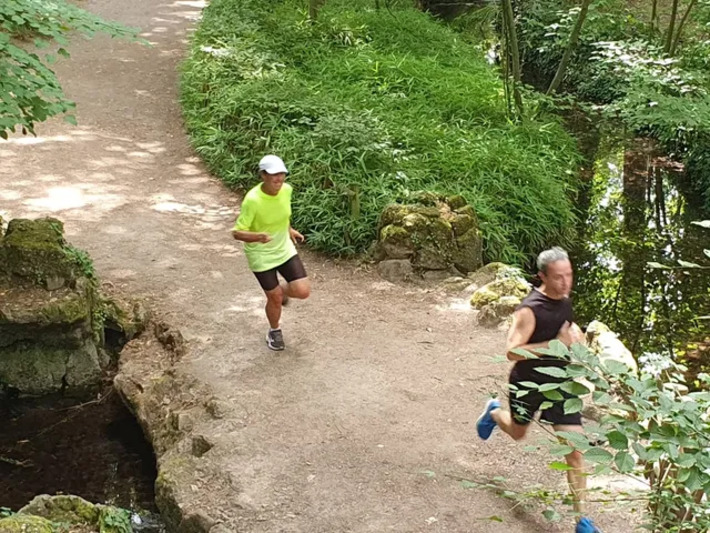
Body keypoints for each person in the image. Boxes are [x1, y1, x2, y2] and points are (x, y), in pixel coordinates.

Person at [475, 247, 601, 533]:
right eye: (558, 277)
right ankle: (494, 412)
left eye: (569, 275)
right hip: (528, 383)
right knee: (519, 433)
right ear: (542, 276)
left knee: (575, 452)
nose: (566, 282)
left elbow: (566, 326)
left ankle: (582, 520)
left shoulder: (565, 299)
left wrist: (576, 336)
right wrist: (554, 344)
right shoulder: (529, 309)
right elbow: (512, 352)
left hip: (560, 382)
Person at [232, 155, 311, 351]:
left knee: (303, 291)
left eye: (282, 174)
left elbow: (283, 214)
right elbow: (236, 232)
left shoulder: (287, 190)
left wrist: (289, 229)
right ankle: (274, 330)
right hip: (260, 254)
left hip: (283, 247)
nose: (279, 179)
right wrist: (257, 237)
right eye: (274, 175)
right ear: (263, 175)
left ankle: (281, 291)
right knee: (274, 297)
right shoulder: (253, 200)